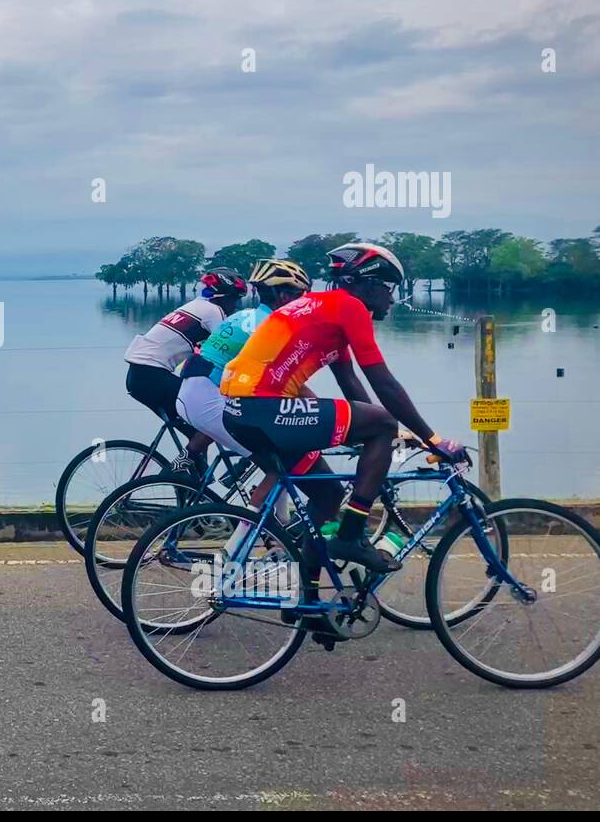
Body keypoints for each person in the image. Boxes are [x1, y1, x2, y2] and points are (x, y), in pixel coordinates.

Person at [220, 243, 470, 574]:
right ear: (366, 284)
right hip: (264, 407)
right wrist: (433, 438)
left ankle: (308, 607)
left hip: (239, 411)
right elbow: (385, 385)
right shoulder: (349, 307)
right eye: (388, 288)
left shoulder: (322, 308)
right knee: (382, 423)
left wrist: (399, 434)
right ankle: (351, 535)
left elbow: (351, 385)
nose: (392, 299)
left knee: (327, 495)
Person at [175, 259, 311, 505]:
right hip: (207, 399)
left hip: (195, 392)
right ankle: (244, 535)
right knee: (282, 464)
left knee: (273, 446)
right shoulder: (273, 328)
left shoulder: (246, 315)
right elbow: (291, 385)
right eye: (300, 295)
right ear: (283, 296)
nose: (304, 301)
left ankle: (276, 526)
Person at [123, 268, 248, 469]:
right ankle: (178, 475)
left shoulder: (196, 306)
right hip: (152, 376)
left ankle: (192, 485)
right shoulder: (213, 313)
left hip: (141, 375)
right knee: (205, 426)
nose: (235, 306)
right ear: (222, 296)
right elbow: (234, 352)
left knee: (200, 426)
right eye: (234, 299)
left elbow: (208, 355)